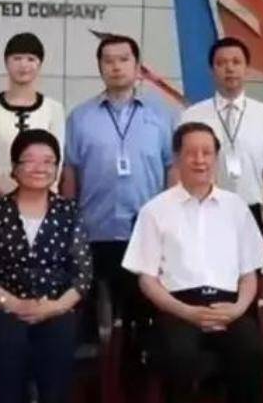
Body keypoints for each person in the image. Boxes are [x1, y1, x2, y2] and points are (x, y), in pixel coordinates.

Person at [122, 122, 263, 403]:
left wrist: (238, 309)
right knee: (180, 358)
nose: (200, 160)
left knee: (254, 354)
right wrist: (186, 312)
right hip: (177, 308)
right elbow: (147, 279)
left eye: (207, 152)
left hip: (228, 308)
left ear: (216, 157)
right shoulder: (155, 210)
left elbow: (249, 274)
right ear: (177, 158)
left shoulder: (236, 207)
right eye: (191, 153)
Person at [60, 35, 174, 326]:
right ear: (99, 67)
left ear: (137, 67)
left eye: (124, 59)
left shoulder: (162, 115)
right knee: (93, 317)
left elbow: (171, 168)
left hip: (147, 232)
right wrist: (69, 223)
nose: (116, 67)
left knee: (144, 316)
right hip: (94, 229)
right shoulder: (80, 117)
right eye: (108, 61)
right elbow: (70, 173)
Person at [0, 129, 93, 403]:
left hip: (58, 306)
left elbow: (83, 274)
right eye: (30, 160)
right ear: (14, 168)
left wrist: (56, 306)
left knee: (57, 345)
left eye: (48, 161)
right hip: (6, 307)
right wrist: (11, 303)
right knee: (7, 343)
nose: (40, 168)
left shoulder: (69, 212)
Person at [180, 37, 263, 247]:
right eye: (221, 63)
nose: (229, 68)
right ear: (212, 71)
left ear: (247, 69)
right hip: (203, 209)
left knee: (249, 269)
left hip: (251, 211)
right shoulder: (192, 115)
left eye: (236, 62)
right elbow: (181, 172)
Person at [0, 32, 66, 197]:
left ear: (40, 64)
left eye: (31, 59)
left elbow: (57, 161)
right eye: (17, 58)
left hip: (41, 200)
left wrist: (33, 194)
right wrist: (14, 195)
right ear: (6, 62)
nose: (23, 65)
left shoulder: (54, 109)